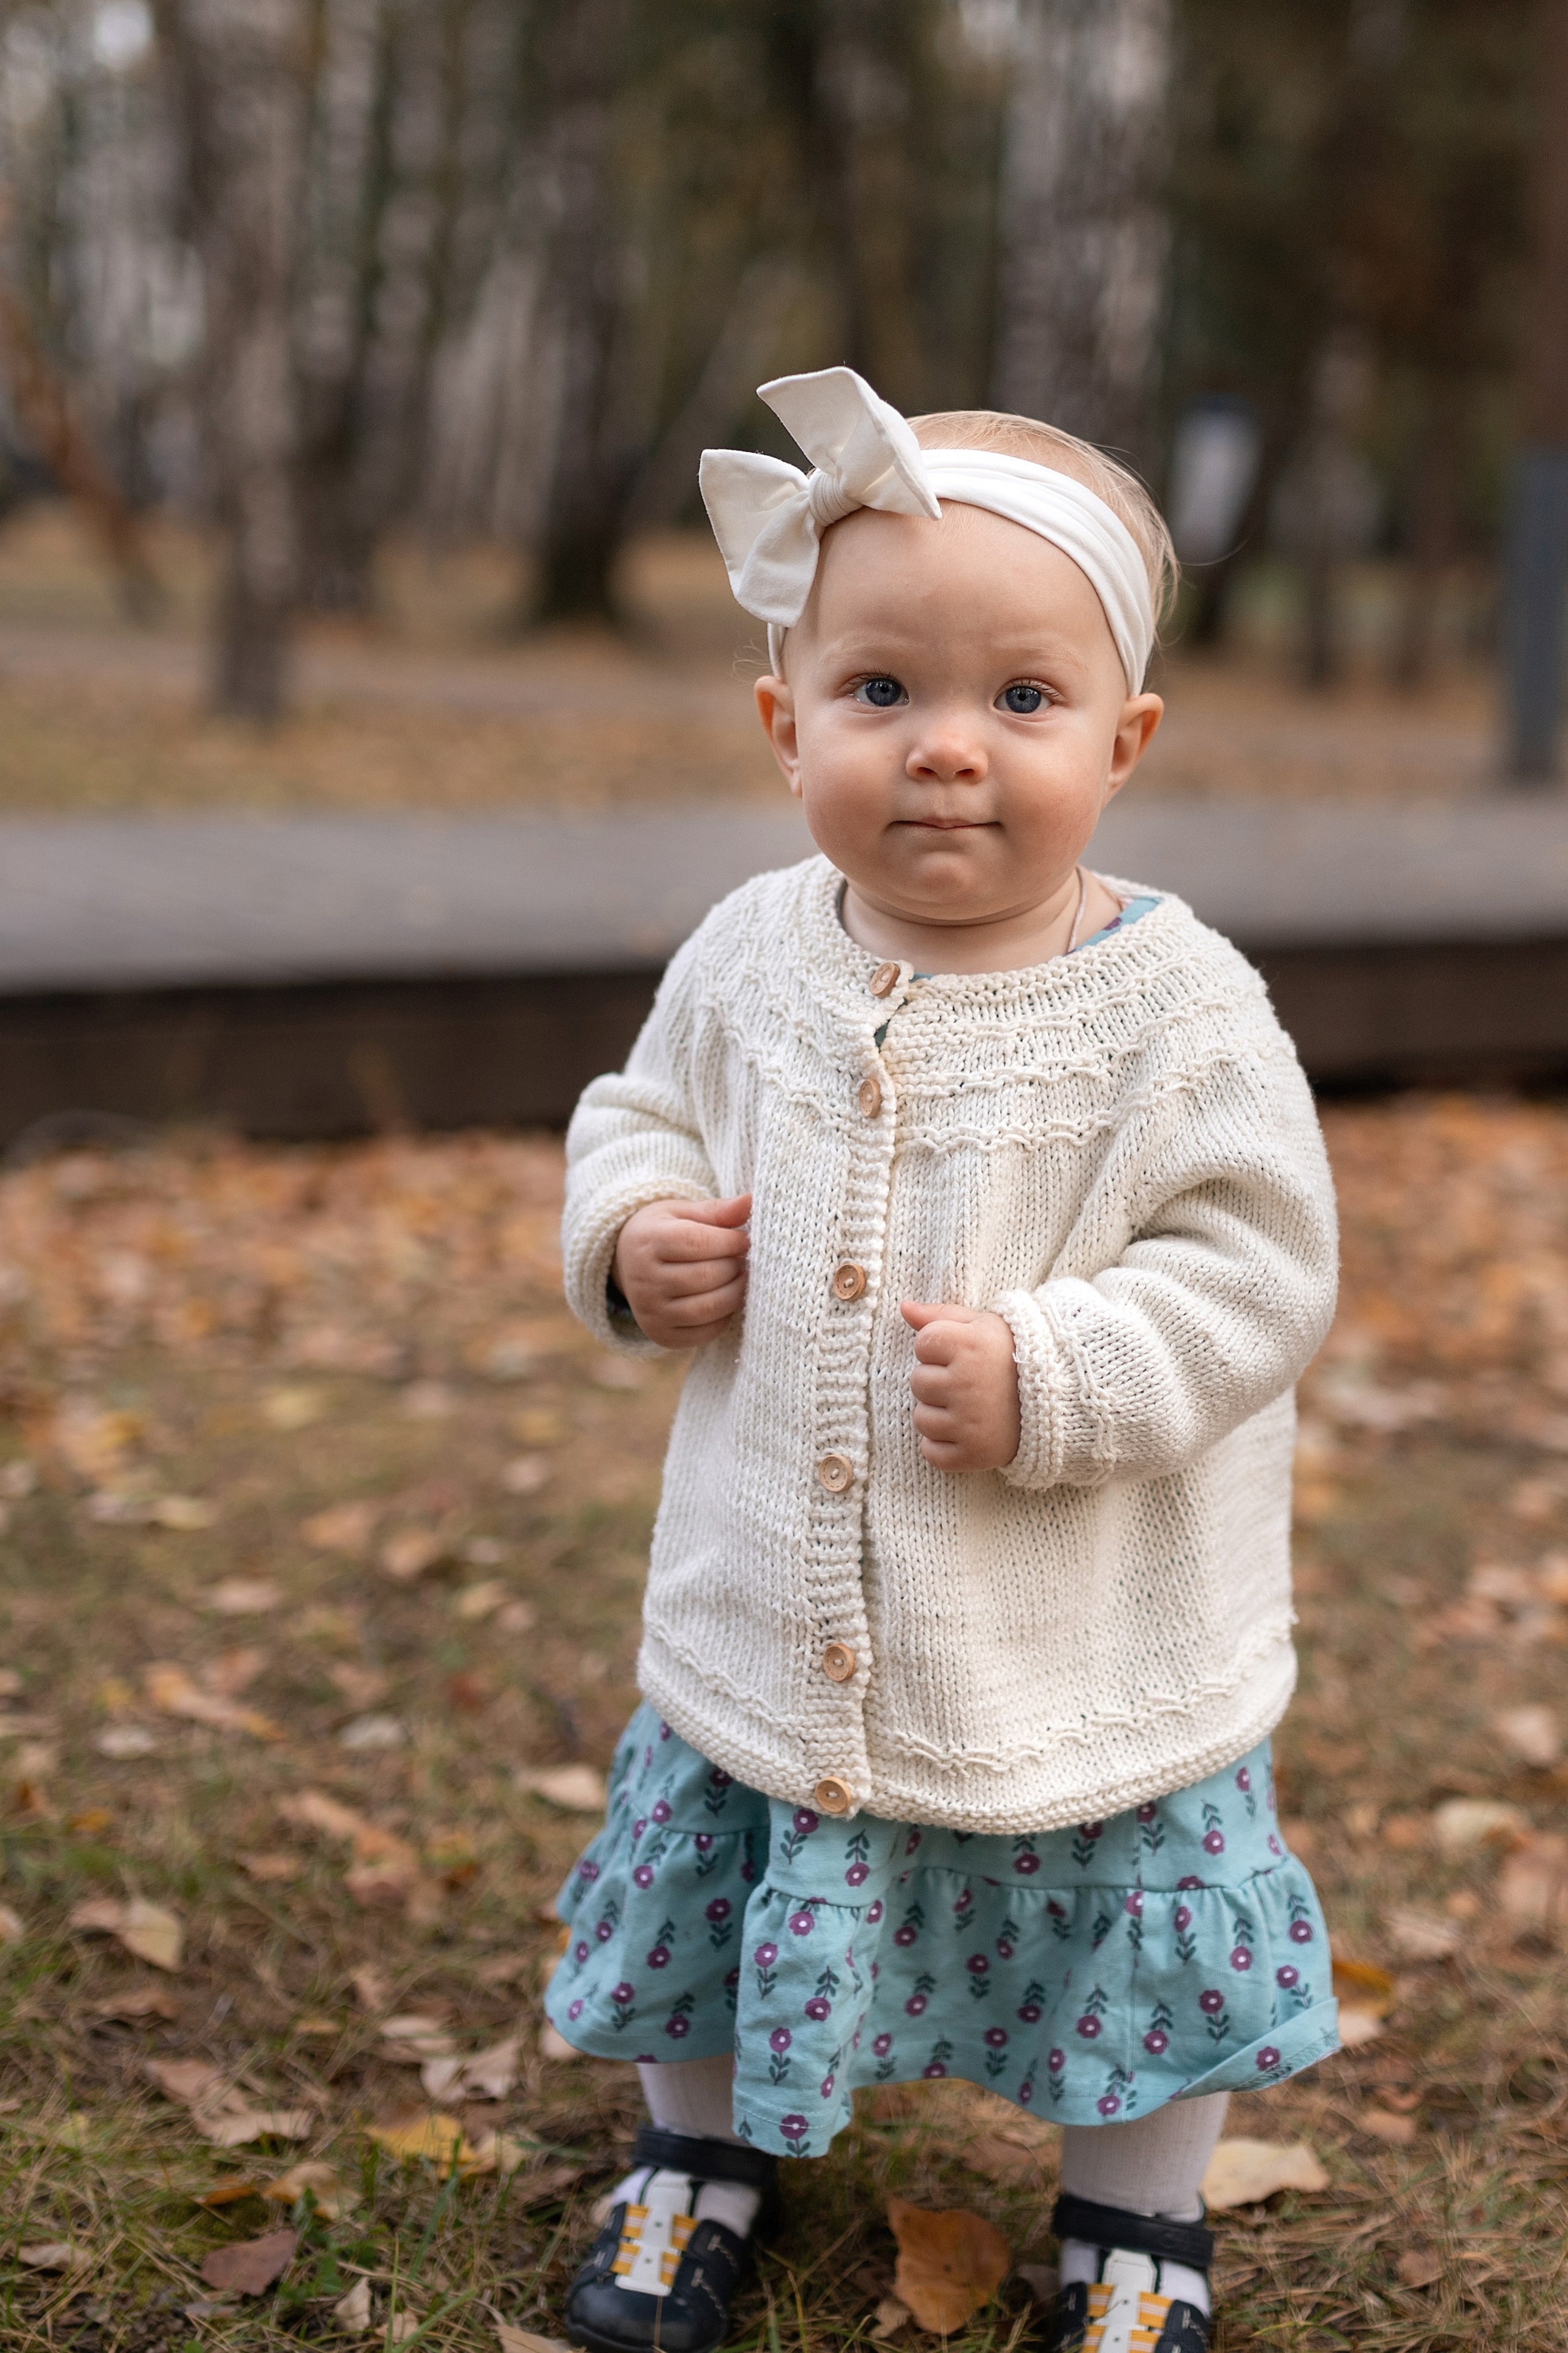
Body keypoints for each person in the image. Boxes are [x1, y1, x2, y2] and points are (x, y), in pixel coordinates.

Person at [545, 367, 1340, 2353]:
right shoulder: (750, 953)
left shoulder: (1179, 1009)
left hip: (1078, 1626)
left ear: (1125, 741)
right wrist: (635, 1234)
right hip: (772, 1612)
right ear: (784, 722)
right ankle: (697, 2149)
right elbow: (640, 1111)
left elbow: (1258, 1267)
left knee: (1132, 1920)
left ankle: (1137, 2216)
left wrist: (1061, 1371)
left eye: (1025, 698)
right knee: (717, 1872)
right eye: (882, 689)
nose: (947, 748)